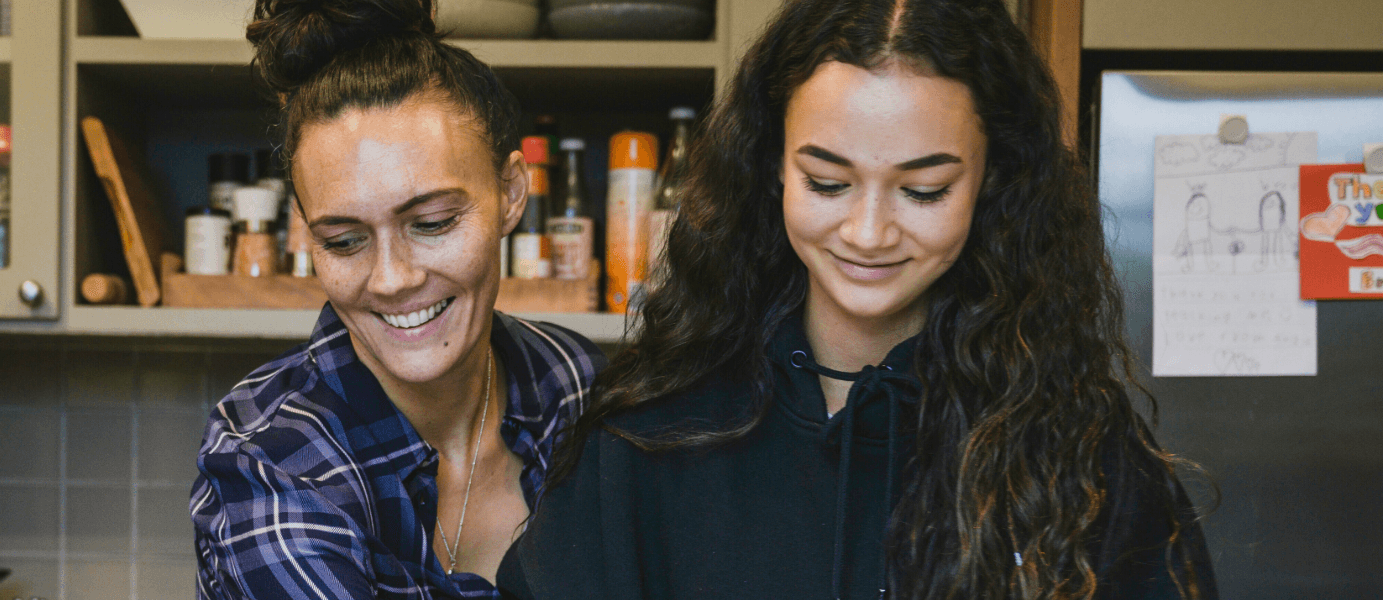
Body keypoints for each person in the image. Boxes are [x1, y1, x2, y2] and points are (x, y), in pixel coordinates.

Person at [497, 0, 1217, 598]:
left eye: (923, 190)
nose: (868, 233)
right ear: (773, 166)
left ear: (993, 182)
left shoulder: (1076, 450)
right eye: (828, 183)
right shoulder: (648, 439)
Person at [191, 1, 604, 597]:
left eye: (432, 222)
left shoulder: (575, 384)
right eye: (344, 240)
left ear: (512, 193)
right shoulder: (271, 460)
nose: (391, 279)